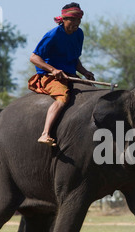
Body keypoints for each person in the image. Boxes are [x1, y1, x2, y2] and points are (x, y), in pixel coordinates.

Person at [28, 2, 94, 147]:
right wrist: (53, 70)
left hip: (70, 74)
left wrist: (84, 72)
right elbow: (34, 57)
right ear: (64, 19)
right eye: (73, 20)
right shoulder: (53, 35)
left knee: (91, 88)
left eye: (78, 20)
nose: (76, 23)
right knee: (63, 97)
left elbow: (74, 58)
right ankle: (45, 133)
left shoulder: (79, 34)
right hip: (50, 76)